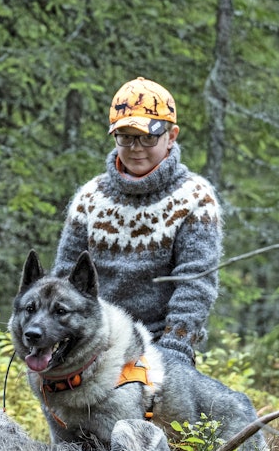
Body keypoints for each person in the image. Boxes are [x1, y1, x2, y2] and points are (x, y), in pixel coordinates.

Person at [52, 77, 222, 364]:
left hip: (158, 343)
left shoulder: (195, 198)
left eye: (148, 137)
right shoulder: (90, 198)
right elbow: (65, 278)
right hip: (93, 342)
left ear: (172, 135)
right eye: (126, 136)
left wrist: (176, 349)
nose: (136, 147)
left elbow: (195, 285)